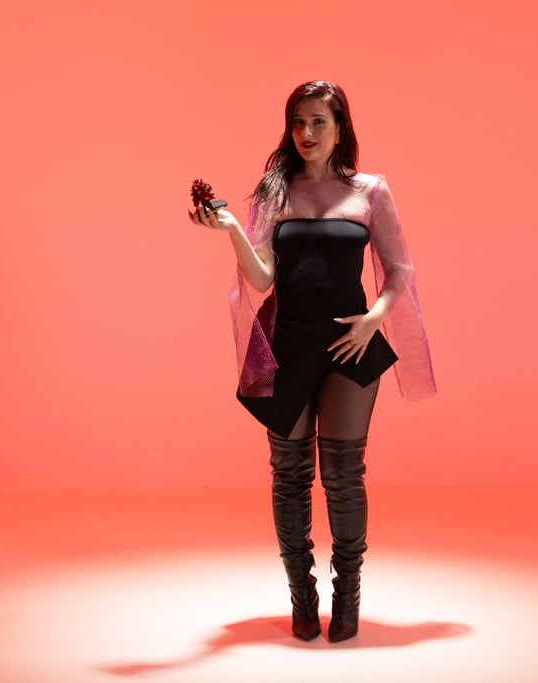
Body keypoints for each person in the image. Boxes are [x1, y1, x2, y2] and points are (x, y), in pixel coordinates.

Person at [189, 80, 436, 642]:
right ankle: (302, 596)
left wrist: (373, 319)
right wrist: (232, 230)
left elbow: (399, 271)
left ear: (340, 127)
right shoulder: (275, 192)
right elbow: (262, 279)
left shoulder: (370, 191)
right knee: (290, 474)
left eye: (318, 121)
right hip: (289, 344)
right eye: (298, 121)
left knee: (345, 476)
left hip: (351, 342)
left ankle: (347, 596)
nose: (306, 132)